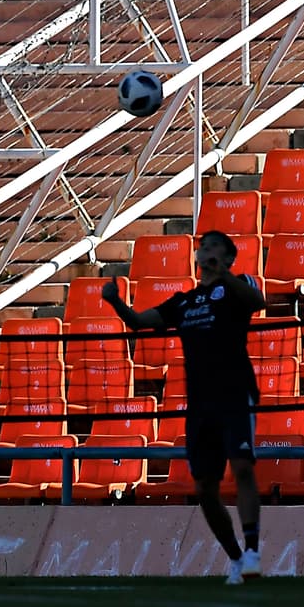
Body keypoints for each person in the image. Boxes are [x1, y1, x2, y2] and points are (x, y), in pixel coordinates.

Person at [102, 230, 266, 585]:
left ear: (227, 257)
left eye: (214, 247)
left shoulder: (237, 286)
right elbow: (139, 322)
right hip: (200, 403)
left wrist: (223, 275)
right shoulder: (184, 302)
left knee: (242, 468)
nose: (206, 251)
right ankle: (237, 558)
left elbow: (258, 302)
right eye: (203, 246)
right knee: (205, 488)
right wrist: (115, 302)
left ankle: (253, 550)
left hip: (235, 393)